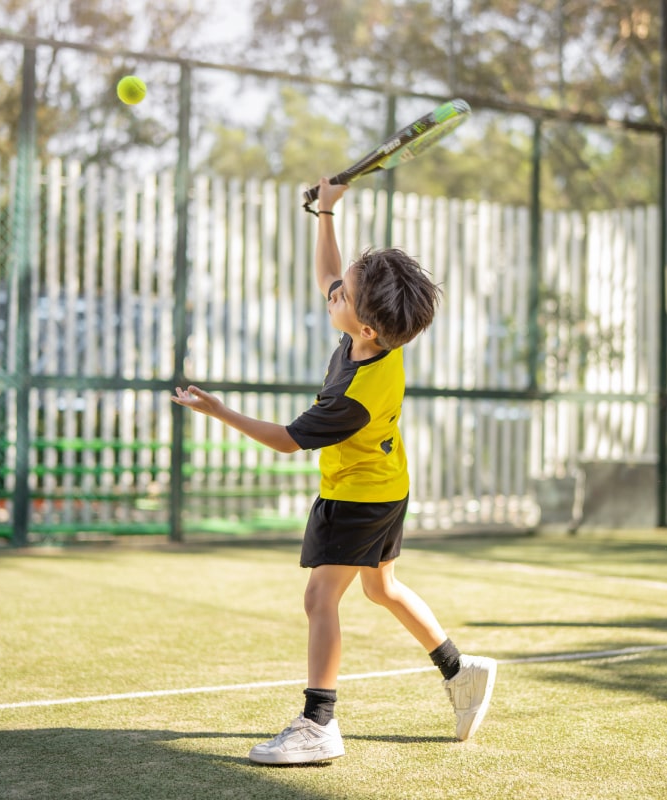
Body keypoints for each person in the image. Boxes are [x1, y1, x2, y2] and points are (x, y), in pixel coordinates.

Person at [171, 178, 497, 765]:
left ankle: (318, 724)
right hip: (387, 484)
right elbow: (328, 271)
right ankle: (460, 669)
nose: (332, 293)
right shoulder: (375, 336)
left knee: (320, 597)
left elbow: (286, 441)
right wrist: (325, 211)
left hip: (360, 496)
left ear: (365, 327)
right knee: (381, 588)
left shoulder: (355, 395)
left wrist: (219, 411)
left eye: (341, 295)